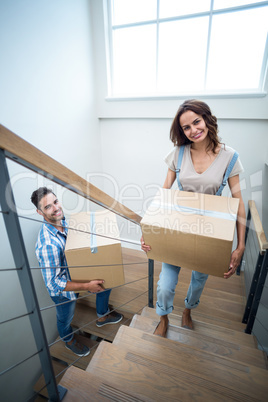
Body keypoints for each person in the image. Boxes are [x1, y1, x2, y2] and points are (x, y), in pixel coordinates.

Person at [141, 99, 246, 337]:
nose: (193, 130)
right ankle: (164, 317)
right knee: (165, 285)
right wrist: (148, 232)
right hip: (176, 226)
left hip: (210, 230)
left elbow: (238, 204)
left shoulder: (230, 157)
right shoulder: (177, 154)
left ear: (207, 119)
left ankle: (188, 311)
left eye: (196, 122)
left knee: (198, 282)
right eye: (186, 127)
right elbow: (163, 197)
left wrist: (240, 246)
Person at [31, 187, 123, 356]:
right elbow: (54, 283)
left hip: (75, 271)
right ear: (39, 212)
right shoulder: (47, 245)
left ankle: (102, 315)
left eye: (55, 202)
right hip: (62, 291)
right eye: (48, 207)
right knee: (65, 319)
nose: (56, 208)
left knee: (106, 279)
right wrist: (87, 285)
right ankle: (68, 339)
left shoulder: (64, 221)